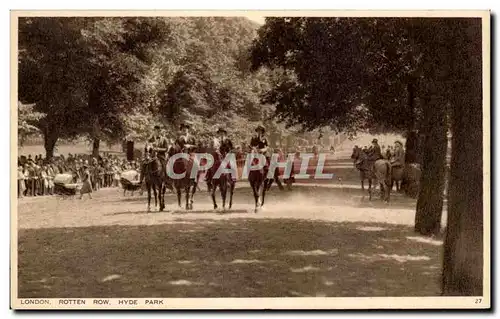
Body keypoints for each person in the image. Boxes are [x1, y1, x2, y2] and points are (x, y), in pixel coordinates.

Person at [249, 124, 284, 190]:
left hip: (264, 154)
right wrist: (254, 149)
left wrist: (263, 150)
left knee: (271, 164)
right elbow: (251, 145)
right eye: (258, 130)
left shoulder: (265, 138)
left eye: (261, 130)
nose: (259, 132)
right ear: (257, 131)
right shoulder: (253, 138)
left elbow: (267, 146)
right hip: (256, 153)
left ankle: (275, 178)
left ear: (262, 131)